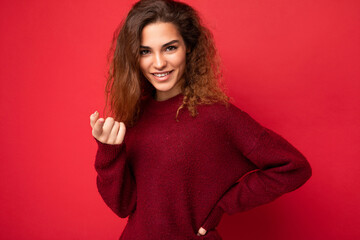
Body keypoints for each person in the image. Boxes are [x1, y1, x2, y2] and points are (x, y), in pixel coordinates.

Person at [89, 0, 312, 239]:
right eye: (145, 51)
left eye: (170, 48)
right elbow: (123, 206)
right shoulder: (134, 116)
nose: (159, 62)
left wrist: (223, 205)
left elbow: (293, 167)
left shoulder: (217, 116)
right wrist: (109, 153)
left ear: (189, 48)